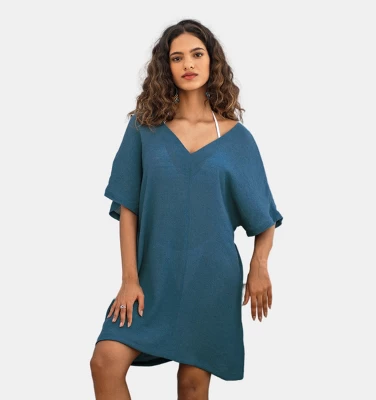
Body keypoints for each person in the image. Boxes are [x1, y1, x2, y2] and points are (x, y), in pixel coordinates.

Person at [90, 18, 283, 400]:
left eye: (197, 54)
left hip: (211, 281)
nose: (188, 64)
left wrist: (259, 266)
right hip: (151, 278)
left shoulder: (237, 139)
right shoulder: (144, 128)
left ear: (212, 62)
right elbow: (128, 208)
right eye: (177, 58)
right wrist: (129, 279)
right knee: (105, 361)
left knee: (192, 387)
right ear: (166, 67)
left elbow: (264, 218)